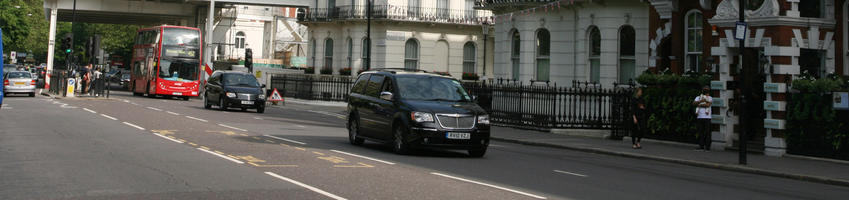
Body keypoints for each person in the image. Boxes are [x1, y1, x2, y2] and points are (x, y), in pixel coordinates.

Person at [694, 86, 713, 151]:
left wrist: (699, 104)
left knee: (707, 132)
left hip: (707, 117)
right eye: (705, 90)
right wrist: (701, 101)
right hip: (699, 117)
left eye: (707, 90)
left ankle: (707, 146)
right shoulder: (698, 97)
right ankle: (701, 145)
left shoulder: (710, 97)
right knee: (700, 132)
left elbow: (708, 105)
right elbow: (693, 103)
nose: (706, 91)